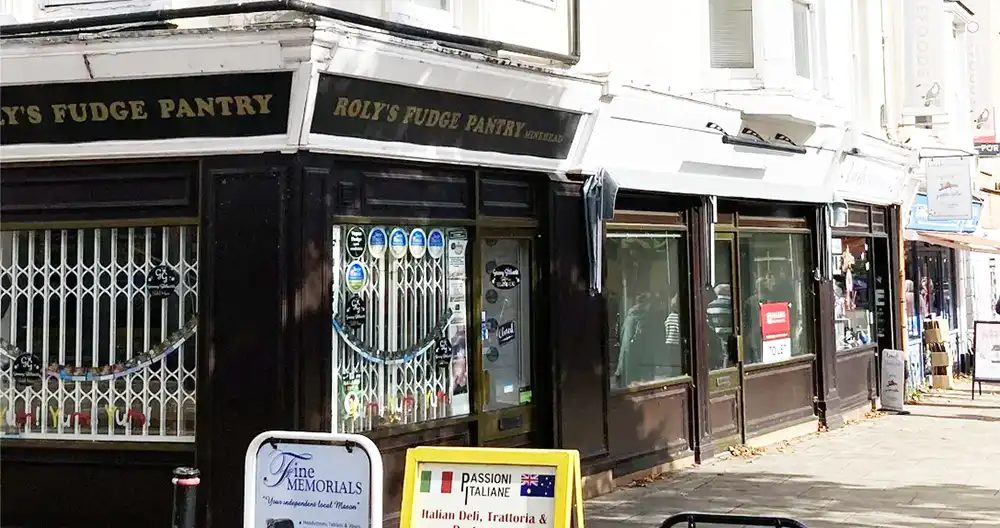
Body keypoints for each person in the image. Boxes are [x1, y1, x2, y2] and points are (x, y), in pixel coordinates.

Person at [707, 284, 734, 369]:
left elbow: (708, 323)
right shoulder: (732, 304)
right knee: (729, 357)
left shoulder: (710, 305)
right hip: (730, 335)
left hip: (716, 335)